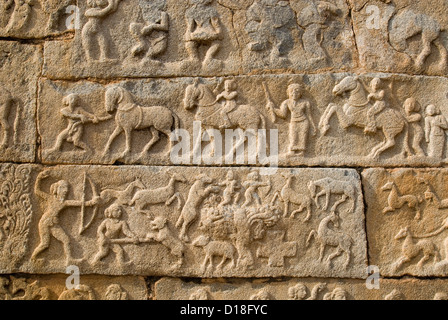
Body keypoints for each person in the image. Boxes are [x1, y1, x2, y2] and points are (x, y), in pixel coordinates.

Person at [31, 170, 100, 264]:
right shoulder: (50, 198)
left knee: (66, 240)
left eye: (66, 189)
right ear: (57, 189)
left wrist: (91, 202)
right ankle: (34, 257)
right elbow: (37, 191)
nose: (65, 191)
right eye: (63, 188)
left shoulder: (64, 202)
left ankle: (69, 259)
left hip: (54, 224)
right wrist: (39, 178)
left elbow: (79, 203)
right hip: (45, 222)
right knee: (45, 243)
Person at [268, 83, 316, 156]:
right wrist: (273, 109)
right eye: (292, 92)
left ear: (300, 93)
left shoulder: (305, 102)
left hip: (304, 121)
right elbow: (283, 114)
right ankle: (292, 152)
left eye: (297, 92)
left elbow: (309, 115)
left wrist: (313, 126)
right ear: (288, 93)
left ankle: (301, 153)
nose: (294, 93)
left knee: (302, 137)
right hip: (293, 122)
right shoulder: (287, 102)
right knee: (293, 137)